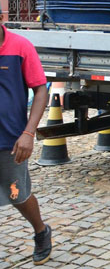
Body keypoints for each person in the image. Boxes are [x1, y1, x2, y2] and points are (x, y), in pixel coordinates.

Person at [0, 20, 52, 265]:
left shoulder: (20, 47)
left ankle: (41, 231)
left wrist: (29, 134)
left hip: (10, 140)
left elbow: (41, 90)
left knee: (17, 194)